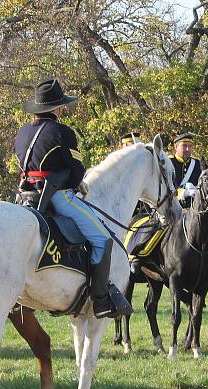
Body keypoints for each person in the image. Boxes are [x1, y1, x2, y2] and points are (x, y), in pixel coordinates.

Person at [15, 79, 127, 319]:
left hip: (25, 196)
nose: (63, 110)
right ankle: (100, 300)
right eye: (62, 106)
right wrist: (78, 182)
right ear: (56, 109)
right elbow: (76, 171)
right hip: (57, 197)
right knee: (103, 239)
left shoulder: (23, 132)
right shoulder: (63, 132)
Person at [170, 132, 202, 208]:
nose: (187, 149)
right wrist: (182, 193)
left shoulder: (198, 165)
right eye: (184, 146)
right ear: (176, 147)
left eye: (190, 146)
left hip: (193, 209)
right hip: (171, 208)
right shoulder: (168, 163)